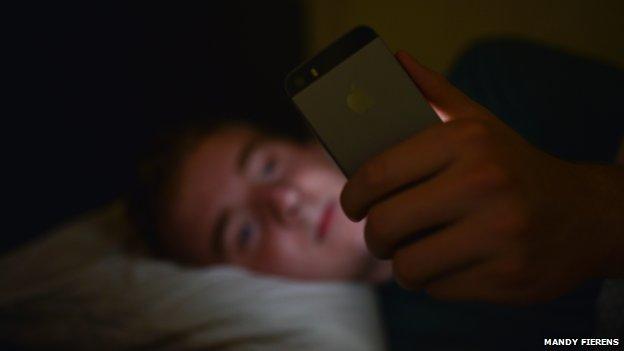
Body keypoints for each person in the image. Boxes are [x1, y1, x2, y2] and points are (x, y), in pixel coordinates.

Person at [129, 40, 624, 349]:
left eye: (267, 166)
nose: (281, 201)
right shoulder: (413, 340)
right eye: (242, 231)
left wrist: (596, 210)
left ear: (305, 142)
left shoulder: (496, 80)